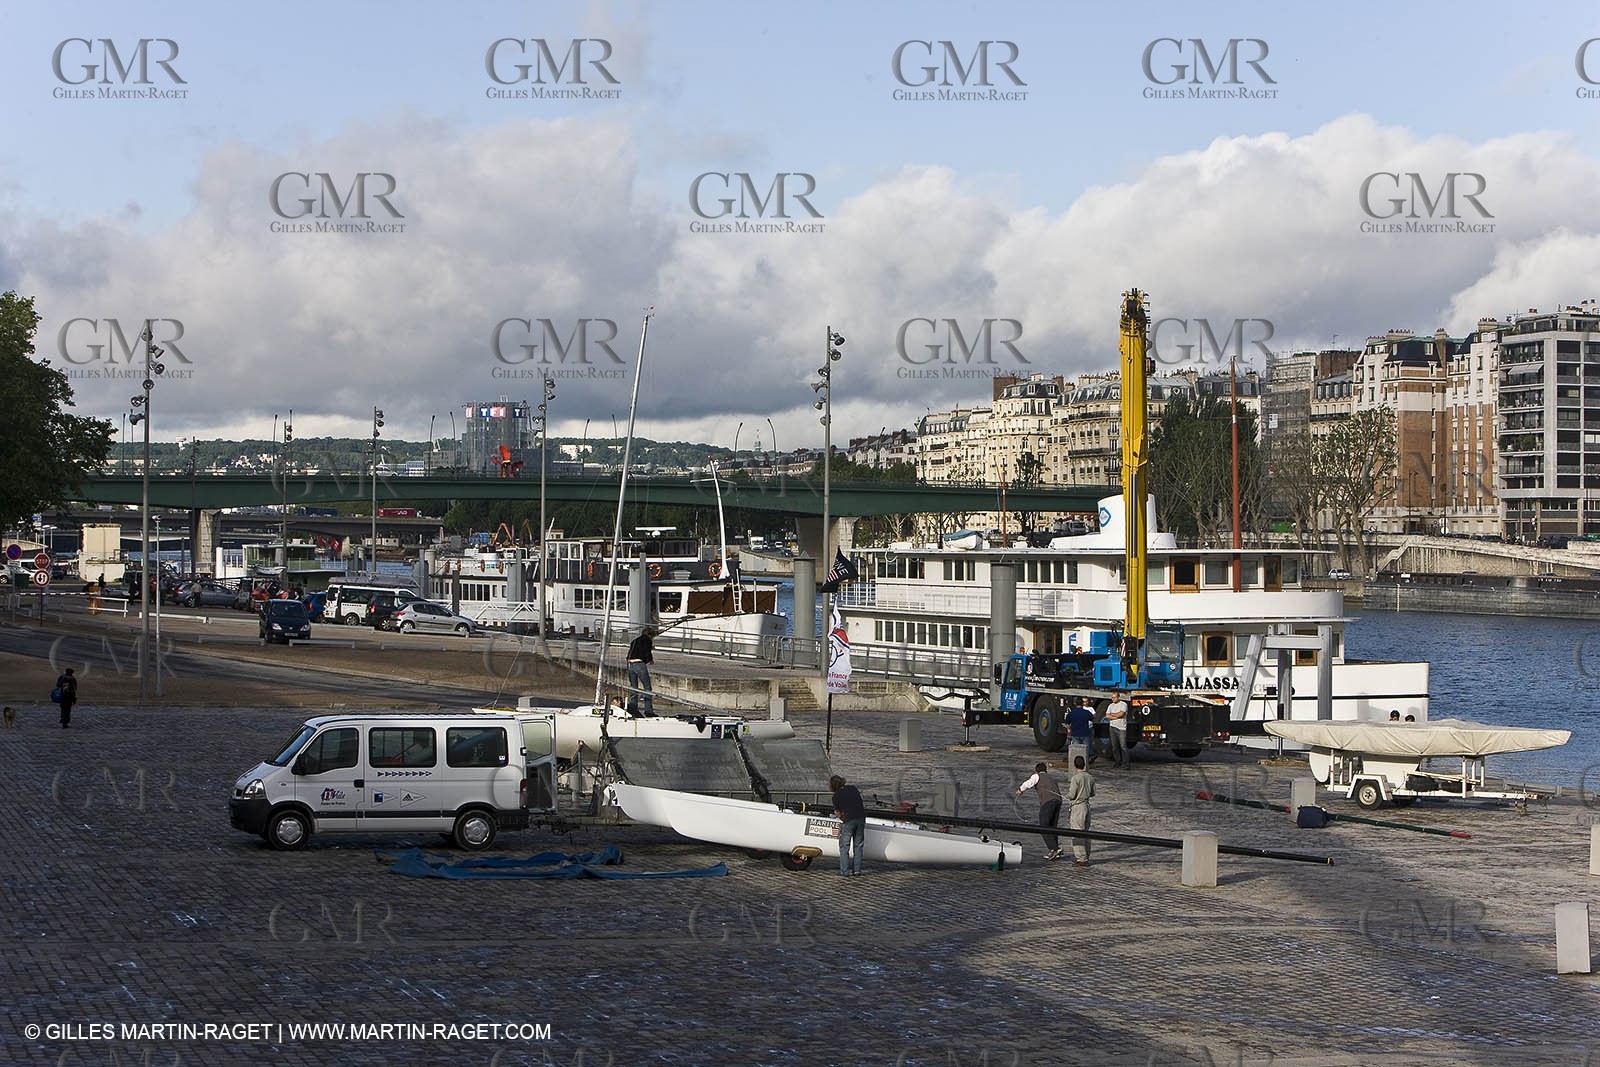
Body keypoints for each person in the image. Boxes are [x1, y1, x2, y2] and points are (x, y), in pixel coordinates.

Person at [1015, 761, 1064, 860]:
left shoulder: (1037, 776)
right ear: (1045, 770)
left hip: (1048, 802)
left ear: (1036, 771)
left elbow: (1029, 783)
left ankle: (1055, 848)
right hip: (1058, 801)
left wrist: (1020, 789)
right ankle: (1054, 851)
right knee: (1053, 826)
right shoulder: (1052, 777)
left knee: (1043, 826)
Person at [830, 774, 866, 876]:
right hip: (860, 817)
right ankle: (857, 870)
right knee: (858, 845)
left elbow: (838, 813)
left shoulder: (835, 796)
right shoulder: (852, 788)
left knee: (844, 846)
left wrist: (843, 818)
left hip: (849, 820)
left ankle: (845, 872)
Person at [1065, 754, 1095, 866]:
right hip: (1087, 805)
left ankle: (1081, 858)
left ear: (1074, 765)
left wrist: (1066, 795)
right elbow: (1093, 793)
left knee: (1077, 832)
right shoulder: (1090, 777)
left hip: (1078, 807)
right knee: (1086, 832)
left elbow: (1072, 795)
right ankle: (1086, 855)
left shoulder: (1075, 778)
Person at [626, 626, 655, 715]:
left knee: (633, 687)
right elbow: (647, 653)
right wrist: (650, 660)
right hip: (639, 664)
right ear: (650, 635)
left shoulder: (635, 640)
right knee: (647, 687)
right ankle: (648, 710)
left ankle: (633, 707)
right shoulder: (647, 640)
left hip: (630, 664)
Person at [1066, 699, 1097, 766]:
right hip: (1085, 733)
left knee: (1077, 751)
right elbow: (1092, 718)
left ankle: (1078, 764)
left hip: (1075, 734)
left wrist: (1069, 732)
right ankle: (1086, 763)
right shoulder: (1086, 712)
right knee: (1086, 751)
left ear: (1075, 704)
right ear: (1082, 704)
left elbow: (1068, 724)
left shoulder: (1072, 713)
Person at [1105, 693, 1130, 769]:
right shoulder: (1110, 705)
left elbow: (1121, 714)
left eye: (1114, 697)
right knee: (1114, 746)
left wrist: (1112, 715)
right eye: (1112, 698)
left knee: (1123, 746)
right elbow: (1107, 715)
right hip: (1112, 727)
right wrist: (1116, 716)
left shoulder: (1123, 704)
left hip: (1121, 728)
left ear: (1118, 697)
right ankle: (1117, 762)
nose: (1113, 699)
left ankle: (1126, 763)